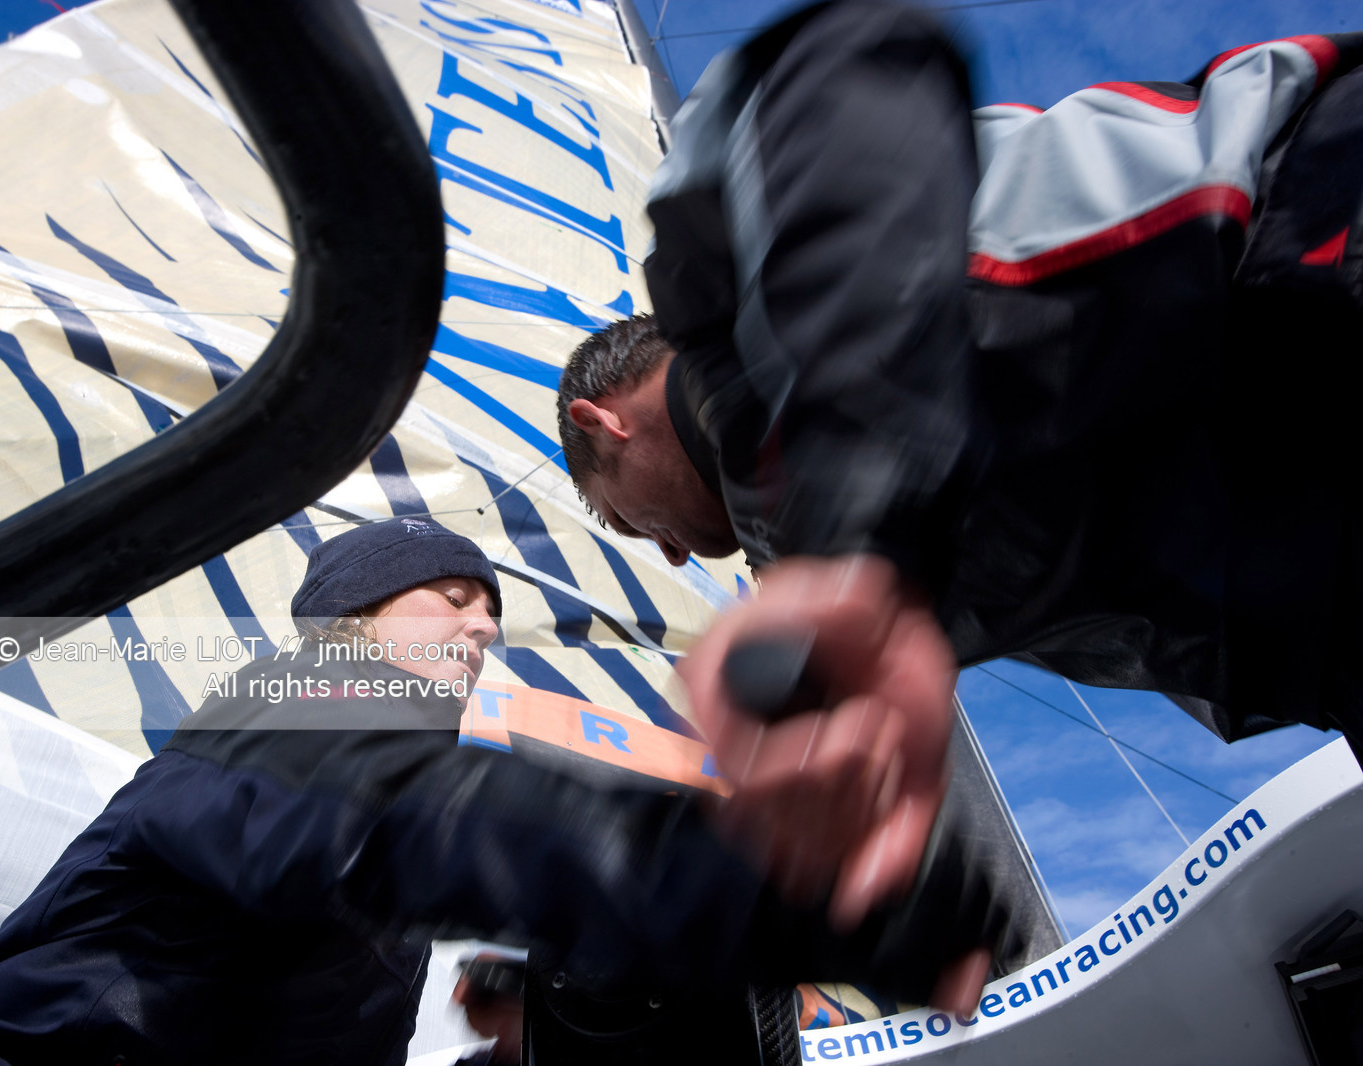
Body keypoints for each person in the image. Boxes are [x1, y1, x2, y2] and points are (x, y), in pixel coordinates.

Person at [558, 1, 1363, 938]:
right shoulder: (823, 571)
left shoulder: (729, 277)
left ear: (603, 422)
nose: (661, 557)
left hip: (1307, 244)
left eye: (622, 522)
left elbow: (820, 70)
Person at [0, 517, 1005, 1066]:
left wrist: (552, 1022)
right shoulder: (292, 698)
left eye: (489, 610)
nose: (479, 626)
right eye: (448, 597)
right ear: (348, 620)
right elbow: (405, 821)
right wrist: (761, 887)